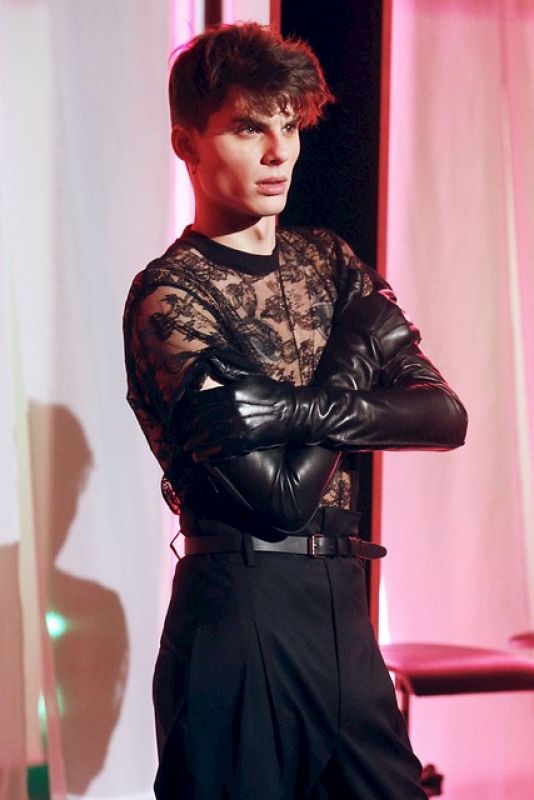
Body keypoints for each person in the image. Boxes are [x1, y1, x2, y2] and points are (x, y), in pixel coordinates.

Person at [123, 21, 467, 800]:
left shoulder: (330, 261)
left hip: (343, 612)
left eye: (290, 126)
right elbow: (281, 500)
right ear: (187, 143)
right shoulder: (168, 297)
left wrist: (285, 407)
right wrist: (355, 352)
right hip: (239, 614)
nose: (279, 152)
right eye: (250, 128)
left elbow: (444, 415)